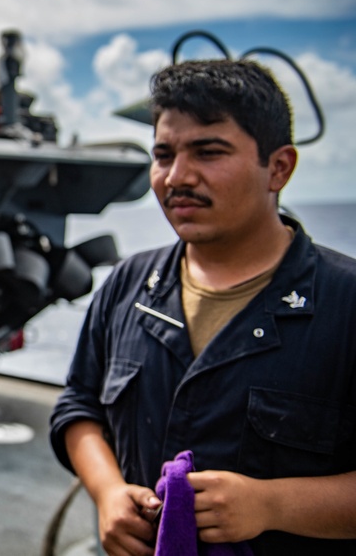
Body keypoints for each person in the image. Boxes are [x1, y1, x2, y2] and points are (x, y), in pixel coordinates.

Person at [50, 59, 356, 555]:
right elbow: (78, 404)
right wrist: (107, 492)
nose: (177, 177)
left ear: (279, 167)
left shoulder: (344, 303)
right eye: (163, 154)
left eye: (208, 152)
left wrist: (273, 504)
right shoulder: (129, 285)